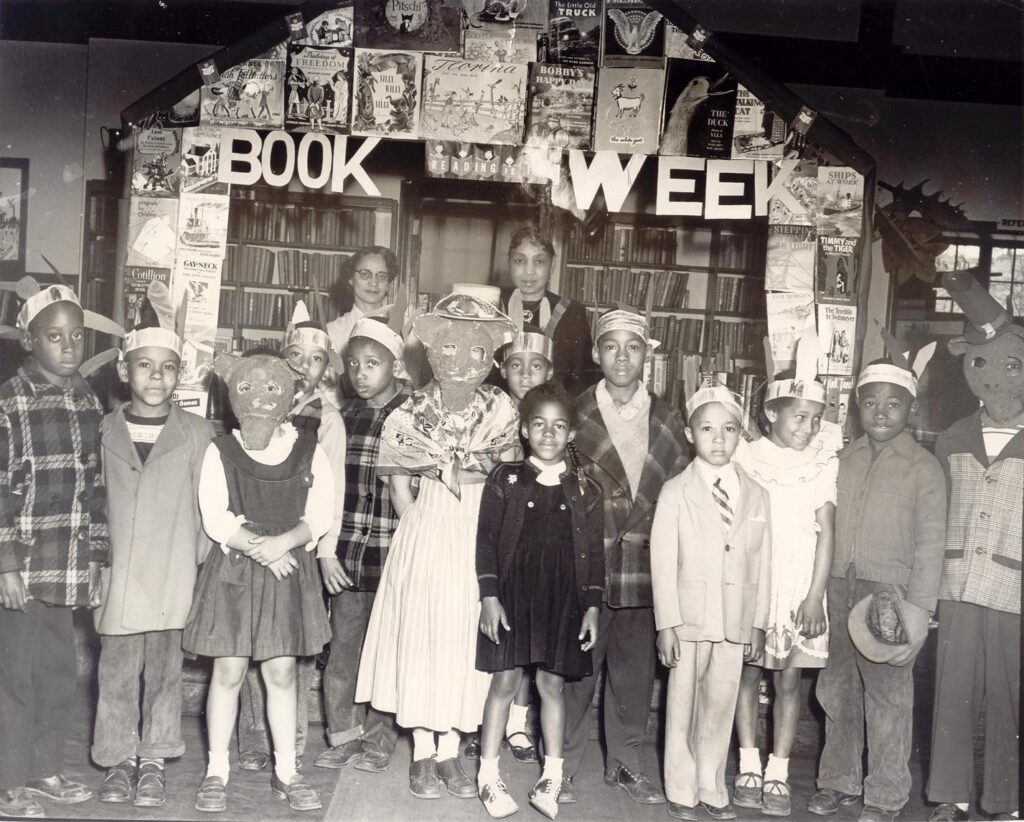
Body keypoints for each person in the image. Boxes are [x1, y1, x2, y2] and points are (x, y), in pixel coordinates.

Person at [356, 291, 519, 801]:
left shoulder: (500, 407)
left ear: (489, 356)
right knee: (423, 636)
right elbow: (399, 480)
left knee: (460, 636)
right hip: (427, 531)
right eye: (449, 348)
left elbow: (508, 467)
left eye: (475, 351)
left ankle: (452, 748)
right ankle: (423, 751)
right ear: (432, 351)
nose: (462, 360)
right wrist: (419, 524)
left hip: (479, 531)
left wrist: (474, 482)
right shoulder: (411, 410)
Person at [183, 352, 334, 814]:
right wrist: (257, 547)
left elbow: (321, 513)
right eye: (248, 389)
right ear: (232, 396)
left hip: (287, 565)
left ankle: (287, 770)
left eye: (273, 390)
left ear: (290, 398)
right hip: (236, 572)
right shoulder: (220, 450)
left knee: (281, 672)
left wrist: (283, 543)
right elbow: (215, 516)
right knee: (227, 672)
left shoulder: (309, 448)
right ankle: (216, 771)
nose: (262, 400)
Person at [560, 308, 689, 806]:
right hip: (586, 564)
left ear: (647, 355)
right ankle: (562, 764)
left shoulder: (669, 419)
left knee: (634, 675)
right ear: (595, 353)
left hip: (644, 568)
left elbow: (678, 496)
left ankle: (626, 764)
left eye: (632, 347)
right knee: (576, 672)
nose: (621, 357)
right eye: (610, 346)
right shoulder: (572, 414)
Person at [810, 355, 947, 822]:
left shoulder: (923, 468)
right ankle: (837, 780)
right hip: (837, 588)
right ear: (855, 408)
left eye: (893, 403)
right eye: (870, 403)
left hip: (889, 595)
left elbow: (931, 545)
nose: (881, 412)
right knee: (837, 687)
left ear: (912, 408)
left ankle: (886, 794)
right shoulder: (840, 460)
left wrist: (920, 610)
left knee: (888, 695)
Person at [92, 321, 215, 808]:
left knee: (165, 672)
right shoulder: (103, 429)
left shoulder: (198, 432)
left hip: (172, 572)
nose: (156, 377)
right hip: (118, 573)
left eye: (168, 368)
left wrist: (198, 563)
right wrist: (94, 566)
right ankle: (119, 759)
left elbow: (209, 506)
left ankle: (154, 760)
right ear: (125, 371)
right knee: (117, 671)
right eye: (145, 366)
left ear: (180, 375)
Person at [474, 382, 604, 818]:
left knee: (552, 686)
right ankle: (488, 776)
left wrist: (590, 606)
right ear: (525, 430)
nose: (548, 433)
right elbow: (486, 543)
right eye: (539, 424)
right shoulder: (504, 479)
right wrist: (490, 597)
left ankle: (551, 776)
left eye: (559, 426)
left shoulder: (587, 490)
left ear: (571, 435)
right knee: (505, 683)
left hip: (562, 597)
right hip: (514, 595)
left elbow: (595, 556)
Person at [0, 286, 106, 819]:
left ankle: (43, 768)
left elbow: (96, 484)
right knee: (12, 674)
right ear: (28, 339)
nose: (68, 346)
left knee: (59, 670)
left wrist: (95, 555)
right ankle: (7, 779)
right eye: (54, 336)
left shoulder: (87, 398)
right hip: (19, 562)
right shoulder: (10, 400)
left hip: (64, 560)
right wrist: (5, 563)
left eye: (76, 336)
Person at [924, 271, 1022, 822]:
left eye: (1013, 364)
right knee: (952, 689)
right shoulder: (953, 436)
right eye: (979, 363)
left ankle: (1008, 800)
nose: (995, 378)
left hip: (1015, 585)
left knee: (1011, 694)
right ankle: (949, 795)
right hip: (957, 585)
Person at [650, 383, 772, 821]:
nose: (718, 439)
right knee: (681, 704)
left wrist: (759, 622)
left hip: (735, 620)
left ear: (742, 433)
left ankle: (712, 786)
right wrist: (667, 623)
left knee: (720, 706)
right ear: (689, 433)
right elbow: (662, 563)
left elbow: (763, 563)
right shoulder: (675, 491)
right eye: (707, 429)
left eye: (729, 429)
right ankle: (681, 790)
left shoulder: (757, 494)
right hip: (689, 618)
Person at [235, 305, 347, 774]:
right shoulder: (254, 403)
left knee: (293, 646)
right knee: (247, 639)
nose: (303, 364)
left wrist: (323, 549)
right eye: (294, 354)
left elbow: (333, 492)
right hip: (253, 542)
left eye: (315, 358)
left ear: (327, 368)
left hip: (299, 542)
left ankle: (292, 740)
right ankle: (252, 738)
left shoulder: (327, 421)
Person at [733, 357, 839, 818]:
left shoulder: (821, 464)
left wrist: (814, 595)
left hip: (799, 583)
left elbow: (827, 532)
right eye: (800, 416)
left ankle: (778, 769)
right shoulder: (744, 456)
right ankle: (748, 764)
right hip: (756, 579)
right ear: (771, 413)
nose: (809, 427)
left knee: (789, 679)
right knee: (748, 672)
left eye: (816, 419)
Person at [314, 312, 408, 774]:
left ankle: (379, 737)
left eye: (373, 363)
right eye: (353, 364)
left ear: (396, 366)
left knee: (388, 650)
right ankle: (344, 734)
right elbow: (326, 488)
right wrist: (326, 552)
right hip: (349, 555)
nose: (361, 373)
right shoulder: (341, 417)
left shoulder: (415, 416)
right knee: (344, 648)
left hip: (396, 554)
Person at [464, 330, 557, 763]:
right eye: (515, 365)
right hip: (487, 525)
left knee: (528, 637)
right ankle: (474, 719)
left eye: (534, 365)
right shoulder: (488, 409)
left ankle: (518, 724)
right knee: (490, 631)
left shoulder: (552, 424)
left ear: (549, 371)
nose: (525, 374)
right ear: (502, 369)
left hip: (533, 545)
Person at [501, 226, 600, 395]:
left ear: (552, 265)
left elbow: (582, 380)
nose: (529, 271)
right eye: (520, 260)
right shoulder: (495, 307)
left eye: (539, 261)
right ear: (508, 263)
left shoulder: (571, 312)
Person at [326, 246, 399, 354]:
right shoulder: (332, 332)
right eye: (365, 274)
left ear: (388, 284)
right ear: (351, 278)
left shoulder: (402, 328)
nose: (374, 283)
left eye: (381, 276)